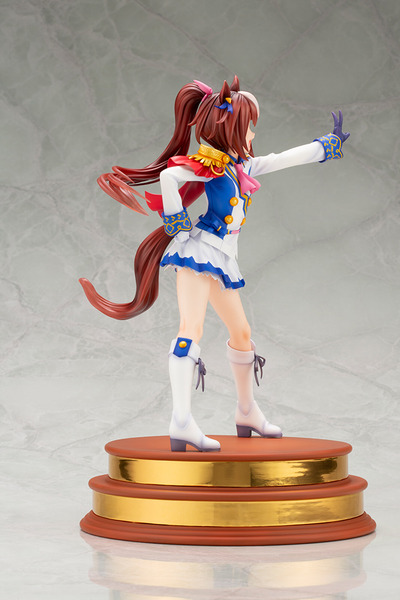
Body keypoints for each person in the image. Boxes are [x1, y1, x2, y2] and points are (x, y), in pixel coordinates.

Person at [80, 77, 350, 452]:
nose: (253, 133)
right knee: (190, 330)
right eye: (248, 125)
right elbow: (169, 174)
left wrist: (325, 146)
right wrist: (175, 219)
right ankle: (181, 422)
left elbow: (280, 159)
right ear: (230, 128)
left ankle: (246, 411)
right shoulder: (210, 166)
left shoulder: (240, 166)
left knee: (242, 334)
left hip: (222, 259)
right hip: (198, 254)